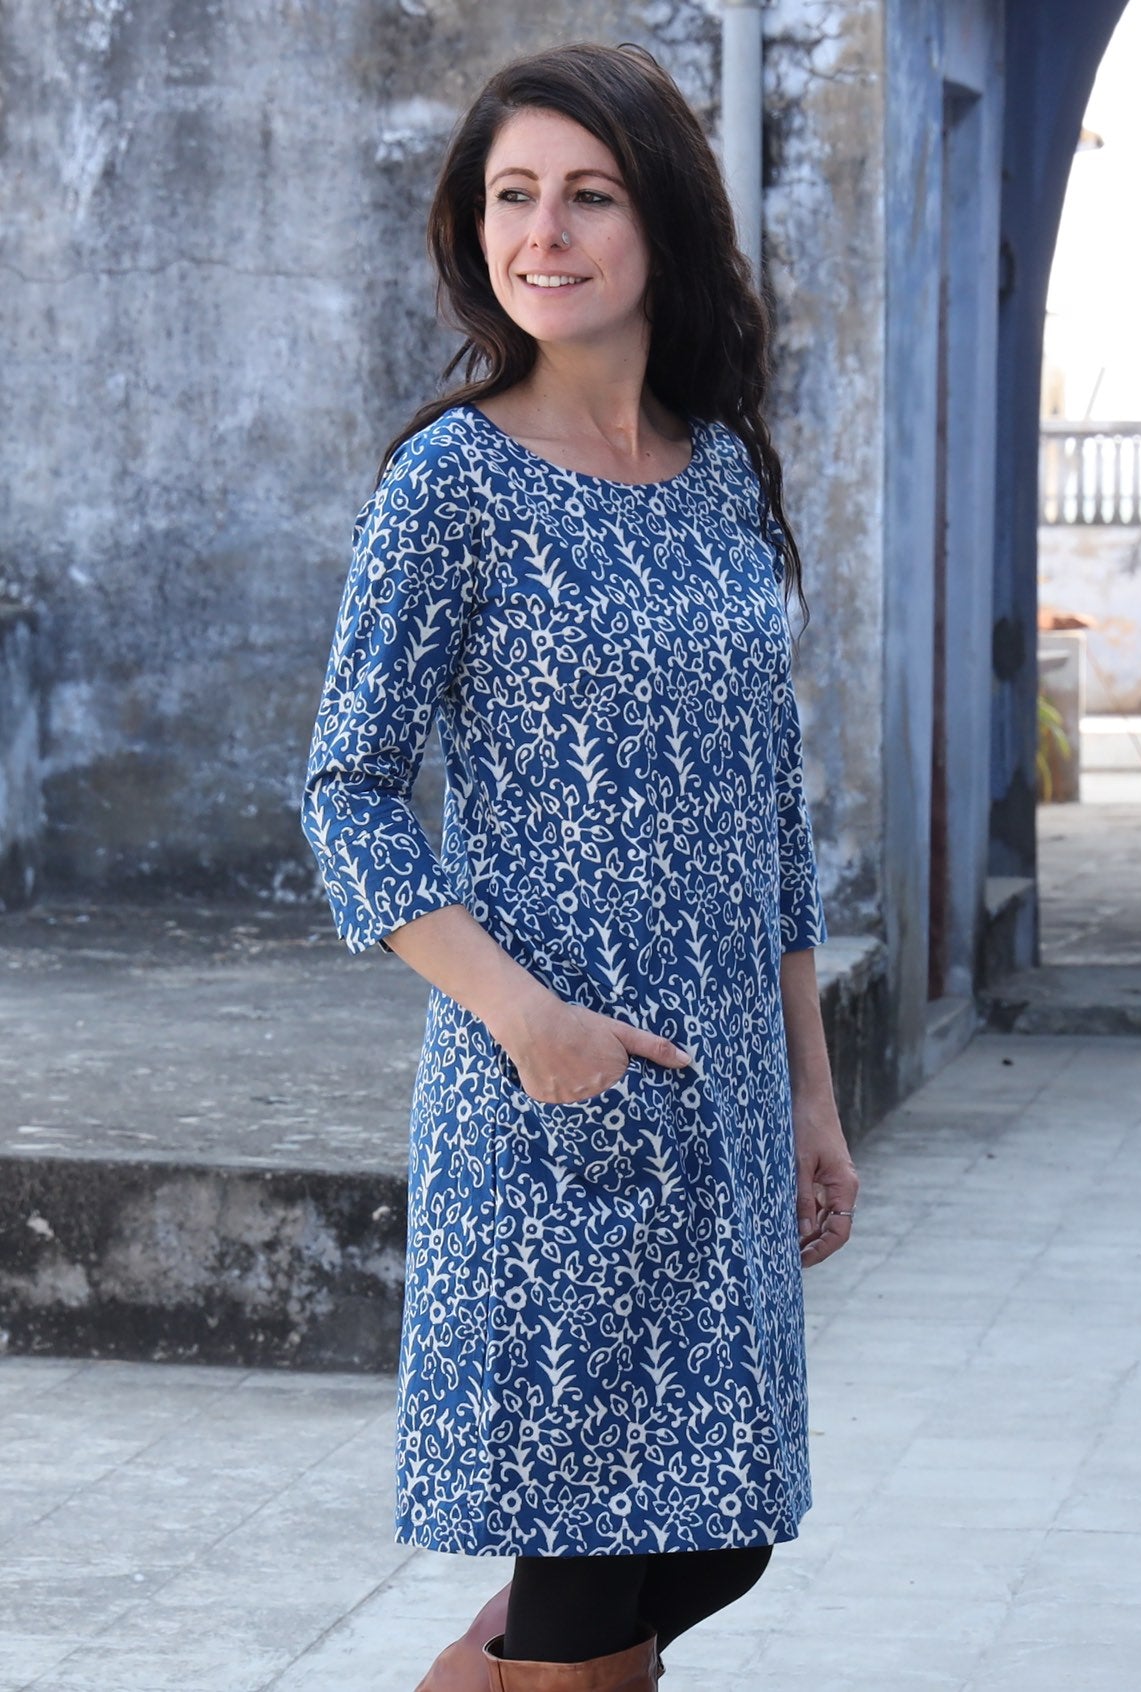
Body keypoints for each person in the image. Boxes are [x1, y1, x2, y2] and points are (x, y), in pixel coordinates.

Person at [301, 40, 858, 1692]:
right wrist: (527, 1020)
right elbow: (346, 793)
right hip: (545, 1103)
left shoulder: (722, 482)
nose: (544, 233)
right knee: (586, 1561)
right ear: (475, 232)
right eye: (512, 197)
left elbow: (772, 815)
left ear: (661, 221)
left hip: (728, 1101)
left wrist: (812, 1094)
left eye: (588, 195)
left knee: (713, 1531)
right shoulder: (450, 485)